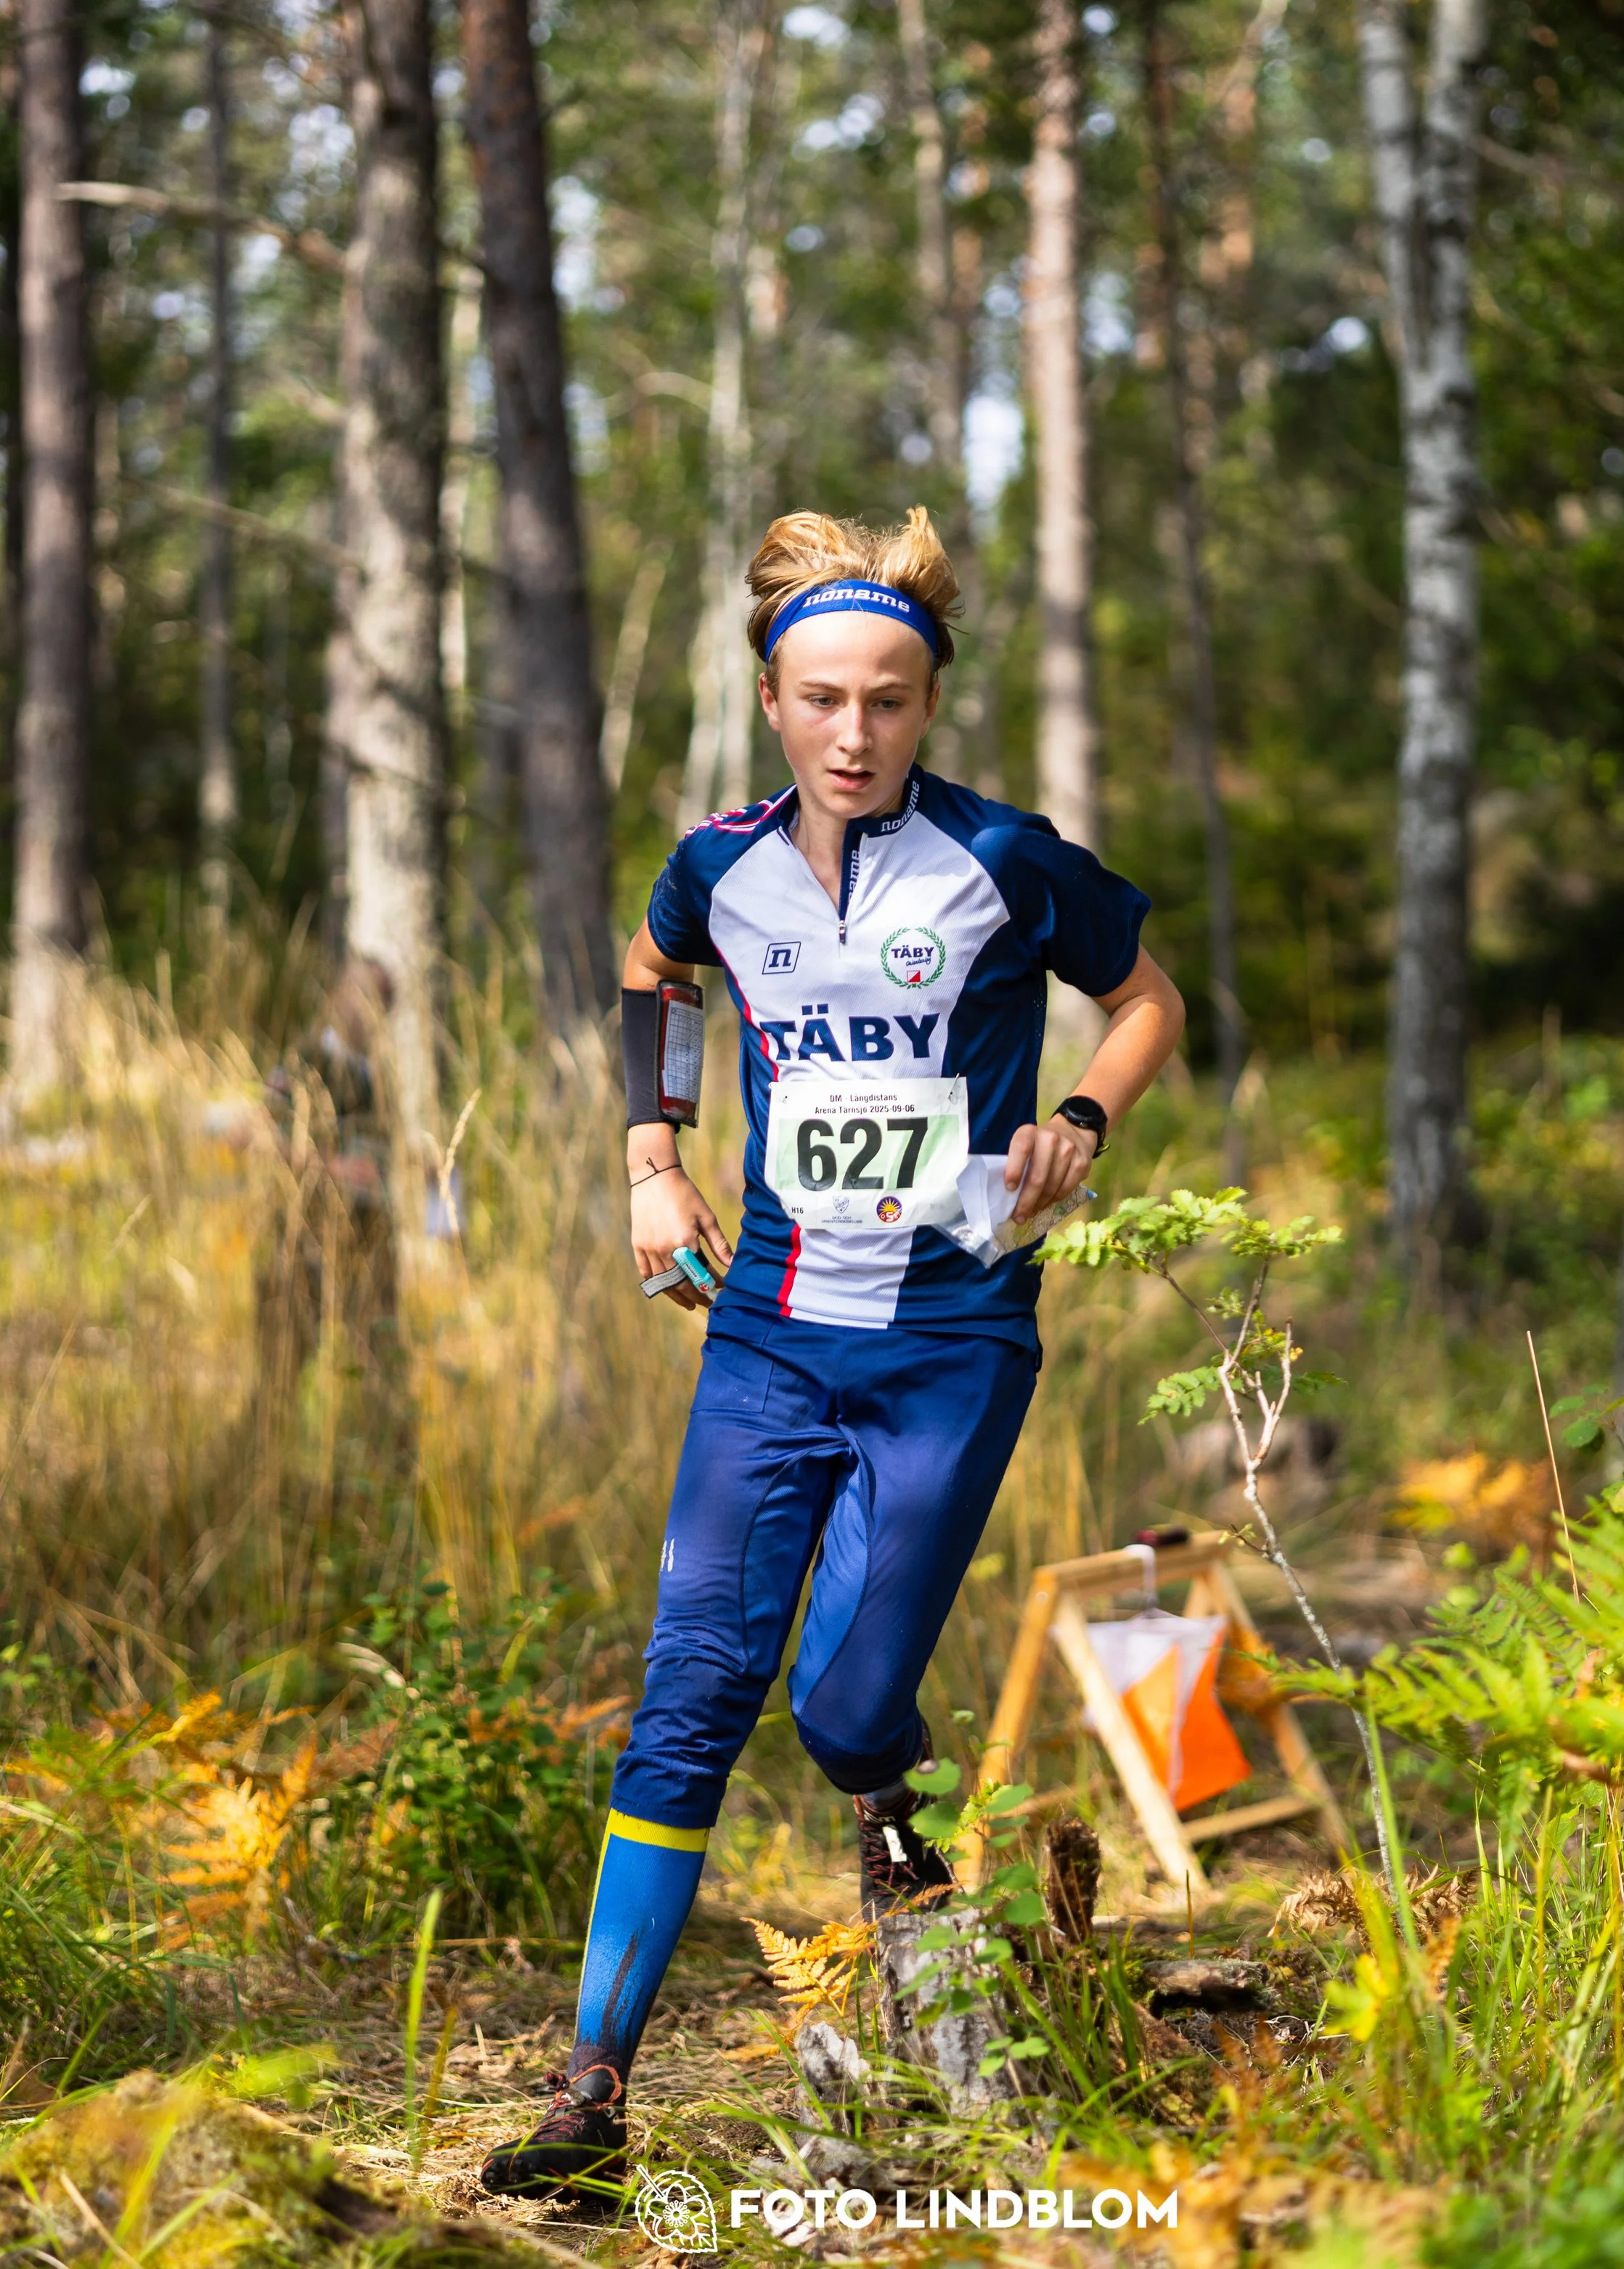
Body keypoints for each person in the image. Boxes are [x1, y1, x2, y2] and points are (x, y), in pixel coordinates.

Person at [481, 508, 1183, 2199]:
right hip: (770, 1335)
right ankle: (591, 2088)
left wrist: (1083, 1111)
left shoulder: (1007, 858)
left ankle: (895, 1834)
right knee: (691, 1693)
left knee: (848, 1701)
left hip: (951, 1333)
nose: (852, 732)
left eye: (885, 698)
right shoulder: (715, 863)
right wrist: (652, 1159)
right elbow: (655, 975)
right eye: (820, 699)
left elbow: (1148, 992)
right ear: (773, 702)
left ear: (925, 702)